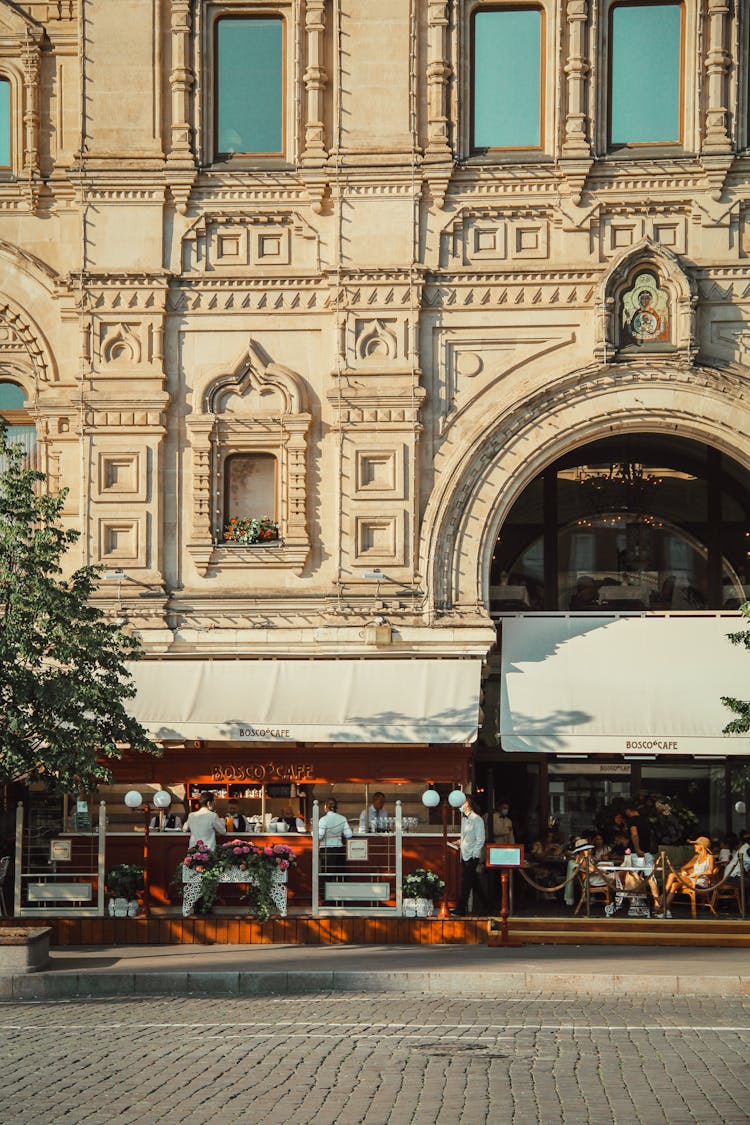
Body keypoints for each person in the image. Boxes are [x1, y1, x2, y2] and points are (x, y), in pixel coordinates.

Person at [449, 796, 488, 917]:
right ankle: (488, 906)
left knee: (466, 883)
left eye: (462, 802)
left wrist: (475, 856)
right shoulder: (464, 819)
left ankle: (461, 908)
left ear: (467, 803)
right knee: (474, 883)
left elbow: (480, 840)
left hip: (472, 856)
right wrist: (459, 842)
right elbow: (466, 837)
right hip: (465, 855)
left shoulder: (477, 819)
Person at [662, 836, 717, 918]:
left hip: (700, 881)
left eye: (696, 845)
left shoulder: (710, 857)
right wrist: (684, 872)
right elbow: (684, 867)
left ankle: (661, 897)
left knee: (672, 875)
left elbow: (710, 871)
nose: (694, 846)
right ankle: (664, 910)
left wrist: (698, 874)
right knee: (674, 885)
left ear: (702, 846)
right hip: (692, 879)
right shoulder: (696, 857)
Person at [318, 798, 352, 872]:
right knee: (339, 873)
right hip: (339, 848)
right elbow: (349, 835)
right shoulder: (342, 818)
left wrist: (312, 831)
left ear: (326, 807)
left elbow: (319, 836)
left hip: (326, 849)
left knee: (327, 874)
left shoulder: (323, 820)